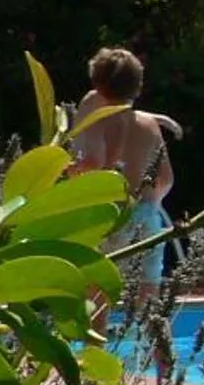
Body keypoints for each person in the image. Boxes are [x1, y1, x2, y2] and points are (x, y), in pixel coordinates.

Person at [67, 47, 180, 290]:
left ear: (97, 84)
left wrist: (72, 171)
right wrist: (151, 203)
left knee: (98, 295)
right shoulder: (150, 125)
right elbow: (167, 178)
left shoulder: (98, 119)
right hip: (148, 216)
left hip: (114, 216)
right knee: (148, 299)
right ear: (138, 87)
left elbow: (96, 162)